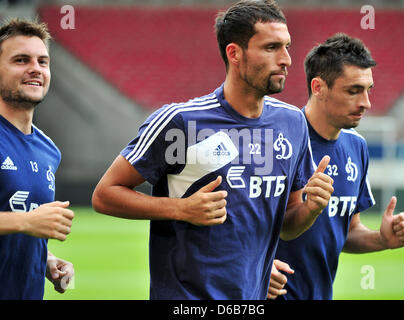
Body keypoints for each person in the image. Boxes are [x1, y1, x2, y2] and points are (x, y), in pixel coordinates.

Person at [92, 0, 334, 300]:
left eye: (287, 46)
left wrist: (311, 209)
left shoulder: (293, 123)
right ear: (235, 53)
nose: (286, 59)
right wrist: (180, 209)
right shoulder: (182, 121)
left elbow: (287, 226)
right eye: (271, 47)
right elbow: (104, 195)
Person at [268, 33, 404, 300]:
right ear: (318, 87)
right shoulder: (278, 142)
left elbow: (346, 231)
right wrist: (256, 271)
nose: (366, 103)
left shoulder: (356, 147)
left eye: (368, 90)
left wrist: (382, 240)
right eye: (353, 91)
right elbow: (236, 227)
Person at [0, 18, 75, 300]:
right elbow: (24, 221)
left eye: (43, 62)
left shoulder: (48, 149)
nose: (35, 68)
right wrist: (26, 222)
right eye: (21, 60)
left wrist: (47, 260)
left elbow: (19, 224)